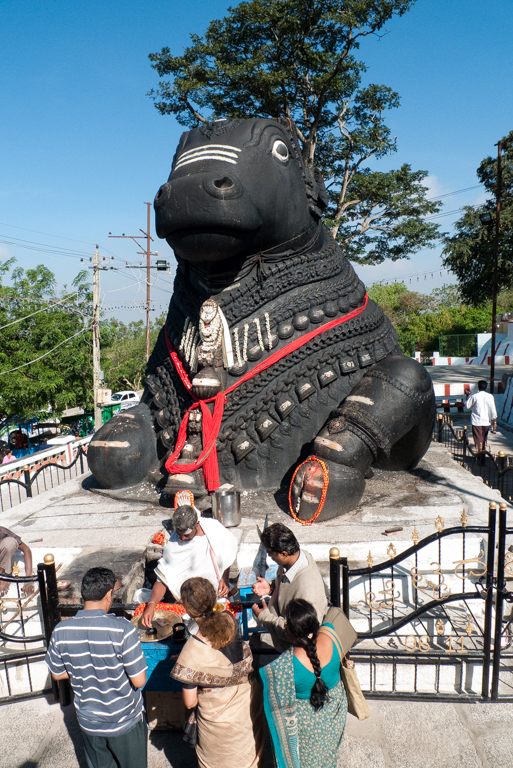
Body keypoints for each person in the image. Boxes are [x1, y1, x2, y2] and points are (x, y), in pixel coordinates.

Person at [45, 567, 148, 768]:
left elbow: (57, 674)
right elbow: (139, 680)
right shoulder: (122, 629)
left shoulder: (61, 631)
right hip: (124, 721)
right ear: (108, 594)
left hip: (89, 722)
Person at [171, 577, 264, 768]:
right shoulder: (229, 619)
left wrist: (188, 666)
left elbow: (190, 702)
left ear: (188, 610)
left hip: (218, 730)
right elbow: (224, 652)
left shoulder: (190, 652)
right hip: (247, 709)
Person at [260, 599, 347, 768]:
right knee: (328, 756)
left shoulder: (285, 665)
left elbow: (273, 699)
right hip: (334, 713)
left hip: (307, 728)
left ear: (290, 631)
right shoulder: (331, 635)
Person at [141, 504, 237, 628]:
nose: (182, 538)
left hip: (216, 596)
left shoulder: (215, 529)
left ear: (197, 524)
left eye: (186, 535)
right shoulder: (174, 545)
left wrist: (225, 577)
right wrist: (151, 604)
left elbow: (226, 554)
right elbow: (164, 578)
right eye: (179, 534)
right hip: (189, 603)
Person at [251, 522, 327, 652]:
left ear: (284, 553)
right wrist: (272, 587)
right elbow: (287, 582)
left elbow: (300, 632)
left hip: (298, 653)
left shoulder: (306, 591)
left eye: (270, 554)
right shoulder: (298, 558)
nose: (270, 557)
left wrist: (265, 617)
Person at [464, 380, 497, 464]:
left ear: (478, 387)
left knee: (478, 440)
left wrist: (467, 396)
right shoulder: (490, 396)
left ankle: (480, 458)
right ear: (486, 387)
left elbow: (467, 406)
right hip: (486, 421)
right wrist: (494, 420)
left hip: (477, 421)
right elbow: (493, 409)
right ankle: (482, 456)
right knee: (484, 439)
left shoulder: (475, 396)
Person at [0, 526, 34, 596]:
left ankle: (3, 576)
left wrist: (28, 580)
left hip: (2, 569)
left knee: (10, 542)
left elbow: (26, 550)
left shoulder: (2, 532)